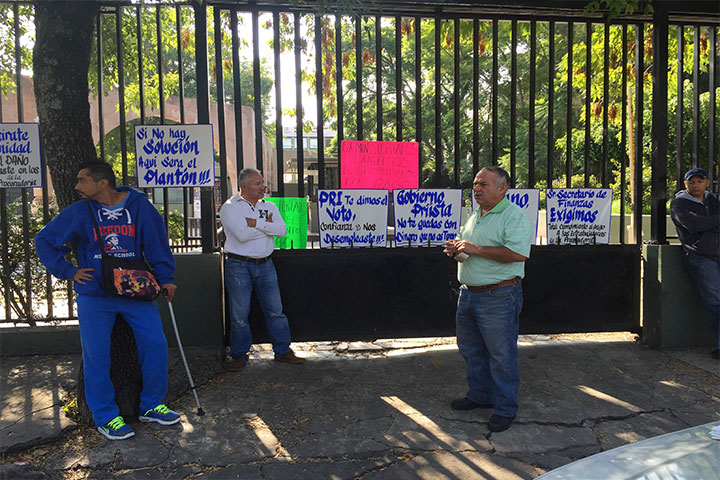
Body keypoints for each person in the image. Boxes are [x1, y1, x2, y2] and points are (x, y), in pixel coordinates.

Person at [35, 161, 180, 440]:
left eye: (82, 180)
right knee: (96, 355)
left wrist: (166, 277)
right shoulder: (80, 211)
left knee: (156, 344)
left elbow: (157, 242)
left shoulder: (139, 205)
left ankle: (151, 404)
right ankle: (105, 416)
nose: (76, 186)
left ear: (102, 183)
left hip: (135, 290)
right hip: (95, 295)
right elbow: (44, 240)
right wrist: (69, 271)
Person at [443, 166, 532, 433]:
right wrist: (457, 249)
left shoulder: (514, 216)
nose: (477, 189)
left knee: (501, 354)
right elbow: (471, 250)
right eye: (475, 184)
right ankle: (480, 396)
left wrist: (476, 248)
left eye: (483, 184)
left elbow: (517, 254)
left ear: (502, 188)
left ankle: (505, 409)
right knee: (471, 350)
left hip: (498, 296)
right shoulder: (476, 215)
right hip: (469, 294)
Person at [220, 167, 305, 371]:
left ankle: (282, 350)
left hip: (266, 264)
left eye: (262, 182)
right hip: (239, 265)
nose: (262, 187)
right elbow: (241, 235)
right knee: (239, 314)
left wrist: (255, 223)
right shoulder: (230, 207)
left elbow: (282, 230)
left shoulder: (269, 206)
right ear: (244, 186)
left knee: (276, 311)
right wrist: (267, 228)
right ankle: (239, 355)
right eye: (257, 183)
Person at [670, 167, 720, 360]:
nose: (696, 185)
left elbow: (701, 224)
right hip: (701, 256)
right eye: (692, 182)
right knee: (715, 301)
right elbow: (693, 225)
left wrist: (705, 222)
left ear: (707, 182)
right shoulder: (679, 204)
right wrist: (709, 223)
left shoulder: (713, 200)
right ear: (686, 184)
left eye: (700, 181)